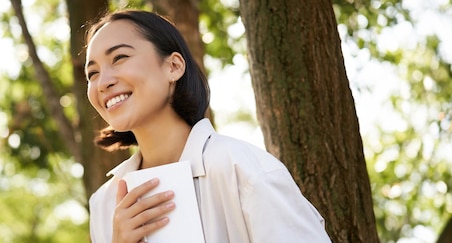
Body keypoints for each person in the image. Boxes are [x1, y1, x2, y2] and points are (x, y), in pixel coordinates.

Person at [84, 9, 331, 243]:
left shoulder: (244, 171)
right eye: (92, 73)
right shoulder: (105, 204)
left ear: (173, 66)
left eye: (119, 57)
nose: (102, 82)